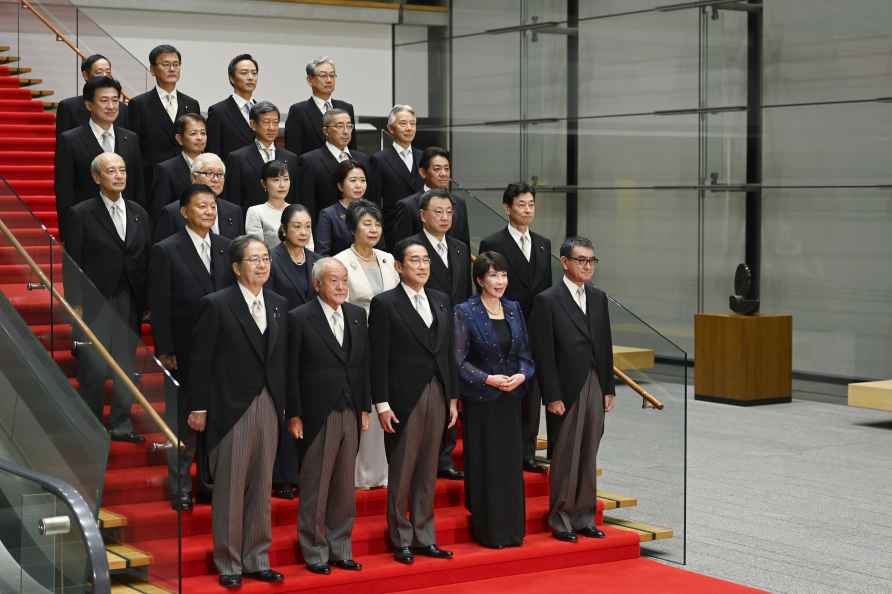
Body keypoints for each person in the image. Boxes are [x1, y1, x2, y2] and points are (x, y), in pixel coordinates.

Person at [186, 236, 288, 589]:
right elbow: (199, 361)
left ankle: (256, 557)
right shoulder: (216, 305)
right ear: (236, 267)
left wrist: (285, 406)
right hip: (230, 406)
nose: (262, 265)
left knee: (262, 486)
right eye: (254, 259)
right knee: (230, 488)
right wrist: (198, 406)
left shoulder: (277, 304)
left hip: (269, 404)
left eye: (265, 259)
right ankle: (229, 561)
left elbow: (281, 361)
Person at [369, 238, 458, 565]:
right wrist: (381, 403)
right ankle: (401, 537)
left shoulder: (441, 299)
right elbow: (378, 358)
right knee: (403, 469)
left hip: (437, 391)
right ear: (399, 266)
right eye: (415, 260)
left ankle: (425, 535)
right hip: (403, 397)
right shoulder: (386, 303)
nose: (422, 266)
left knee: (427, 470)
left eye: (426, 260)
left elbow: (448, 352)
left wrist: (452, 397)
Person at [148, 184, 234, 512]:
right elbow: (160, 303)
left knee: (216, 420)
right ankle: (181, 485)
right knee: (183, 423)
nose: (209, 212)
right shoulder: (166, 249)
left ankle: (209, 484)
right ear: (184, 211)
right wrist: (165, 347)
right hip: (184, 349)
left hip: (223, 350)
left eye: (213, 206)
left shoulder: (228, 248)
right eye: (201, 206)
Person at [530, 236, 615, 544]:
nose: (587, 266)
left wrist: (609, 387)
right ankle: (561, 517)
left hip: (594, 381)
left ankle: (585, 515)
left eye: (591, 260)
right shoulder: (548, 300)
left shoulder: (598, 297)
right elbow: (544, 353)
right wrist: (551, 395)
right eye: (581, 260)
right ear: (564, 262)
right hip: (565, 387)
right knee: (566, 454)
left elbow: (604, 345)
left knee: (589, 451)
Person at [288, 258, 369, 575]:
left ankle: (341, 547)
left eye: (344, 280)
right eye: (333, 280)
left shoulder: (357, 315)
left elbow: (363, 364)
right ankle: (314, 550)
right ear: (317, 284)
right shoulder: (301, 317)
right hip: (316, 411)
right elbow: (291, 370)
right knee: (316, 485)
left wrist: (364, 406)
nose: (340, 286)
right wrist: (294, 414)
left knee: (343, 485)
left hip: (350, 408)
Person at [62, 153, 150, 443]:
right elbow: (72, 261)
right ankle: (91, 426)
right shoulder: (81, 213)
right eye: (111, 171)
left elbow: (144, 257)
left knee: (126, 365)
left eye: (122, 170)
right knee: (93, 367)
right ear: (97, 177)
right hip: (96, 299)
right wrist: (74, 302)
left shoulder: (139, 212)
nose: (119, 175)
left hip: (130, 298)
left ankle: (122, 423)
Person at [453, 251, 533, 548]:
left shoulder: (513, 308)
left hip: (510, 400)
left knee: (510, 466)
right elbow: (458, 360)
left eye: (503, 275)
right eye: (493, 276)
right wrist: (488, 379)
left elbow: (526, 354)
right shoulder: (465, 311)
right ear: (479, 279)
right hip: (482, 400)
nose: (500, 281)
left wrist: (522, 375)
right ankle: (490, 532)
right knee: (487, 464)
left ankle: (513, 531)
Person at [479, 183, 552, 474]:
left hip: (535, 329)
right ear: (507, 208)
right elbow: (488, 287)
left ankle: (528, 452)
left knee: (532, 394)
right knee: (506, 390)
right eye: (521, 204)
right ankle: (505, 450)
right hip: (504, 326)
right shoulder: (492, 242)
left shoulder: (544, 243)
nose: (527, 209)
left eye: (531, 204)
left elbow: (545, 287)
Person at [333, 200, 399, 490]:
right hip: (356, 342)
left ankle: (384, 470)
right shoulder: (341, 261)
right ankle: (361, 473)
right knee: (365, 407)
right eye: (366, 224)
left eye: (377, 224)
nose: (373, 229)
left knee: (385, 402)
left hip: (390, 342)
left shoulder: (387, 258)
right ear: (352, 228)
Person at [407, 189, 471, 480]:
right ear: (423, 215)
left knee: (450, 390)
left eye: (449, 212)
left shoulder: (459, 247)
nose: (445, 217)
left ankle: (444, 457)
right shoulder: (411, 247)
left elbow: (465, 291)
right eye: (438, 212)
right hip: (425, 330)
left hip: (455, 327)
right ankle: (423, 456)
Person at [268, 203, 321, 498]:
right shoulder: (272, 260)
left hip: (312, 342)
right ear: (284, 229)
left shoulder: (317, 260)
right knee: (285, 408)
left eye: (307, 227)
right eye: (297, 226)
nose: (302, 232)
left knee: (306, 406)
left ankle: (303, 470)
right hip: (282, 340)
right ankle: (281, 476)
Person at [54, 76, 144, 239]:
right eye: (104, 101)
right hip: (88, 227)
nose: (111, 106)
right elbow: (64, 191)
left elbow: (138, 187)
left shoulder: (130, 138)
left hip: (126, 227)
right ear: (89, 105)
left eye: (115, 100)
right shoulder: (70, 140)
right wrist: (68, 234)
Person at [127, 44, 200, 199]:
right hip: (152, 181)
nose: (172, 69)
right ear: (152, 70)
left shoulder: (191, 103)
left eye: (176, 64)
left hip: (187, 178)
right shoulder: (139, 104)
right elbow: (133, 149)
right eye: (165, 64)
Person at [295, 108, 372, 223]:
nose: (346, 131)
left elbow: (370, 200)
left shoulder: (363, 159)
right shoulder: (310, 161)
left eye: (349, 126)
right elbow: (308, 204)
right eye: (339, 126)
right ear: (326, 131)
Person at [391, 146, 470, 248]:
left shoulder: (459, 203)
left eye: (447, 169)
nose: (443, 174)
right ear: (423, 172)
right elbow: (401, 247)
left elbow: (464, 243)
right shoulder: (408, 206)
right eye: (437, 169)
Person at [225, 101, 299, 211]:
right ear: (253, 124)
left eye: (275, 123)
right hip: (250, 221)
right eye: (266, 122)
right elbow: (233, 198)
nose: (271, 128)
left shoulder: (290, 158)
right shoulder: (237, 158)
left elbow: (294, 197)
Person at [154, 153, 244, 242]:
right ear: (194, 178)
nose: (216, 179)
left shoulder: (234, 211)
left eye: (220, 174)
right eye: (209, 173)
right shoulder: (172, 212)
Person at [369, 105, 423, 243]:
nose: (409, 128)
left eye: (413, 124)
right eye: (403, 124)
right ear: (391, 129)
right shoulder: (379, 159)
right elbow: (374, 201)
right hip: (394, 229)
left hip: (423, 228)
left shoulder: (423, 157)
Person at [284, 57, 357, 157]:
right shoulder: (298, 111)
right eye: (323, 76)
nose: (329, 80)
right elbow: (292, 153)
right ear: (310, 80)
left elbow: (352, 148)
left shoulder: (346, 108)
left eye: (332, 75)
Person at [149, 112, 207, 223]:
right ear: (179, 138)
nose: (200, 138)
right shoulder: (166, 170)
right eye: (193, 133)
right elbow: (160, 211)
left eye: (203, 133)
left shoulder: (214, 165)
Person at [56, 54, 128, 135]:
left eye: (108, 72)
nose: (104, 76)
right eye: (99, 72)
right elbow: (64, 143)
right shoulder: (68, 107)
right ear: (85, 75)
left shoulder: (123, 109)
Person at [206, 54, 259, 160]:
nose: (250, 77)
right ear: (232, 78)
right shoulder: (218, 111)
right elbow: (213, 153)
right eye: (244, 73)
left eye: (254, 73)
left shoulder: (262, 110)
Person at [315, 159, 367, 256]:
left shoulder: (372, 211)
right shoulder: (328, 214)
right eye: (353, 180)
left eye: (363, 180)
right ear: (340, 186)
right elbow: (322, 254)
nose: (359, 185)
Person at [245, 160, 291, 250]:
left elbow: (309, 247)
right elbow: (257, 248)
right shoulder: (255, 212)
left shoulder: (297, 211)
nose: (282, 185)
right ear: (264, 183)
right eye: (276, 180)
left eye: (286, 179)